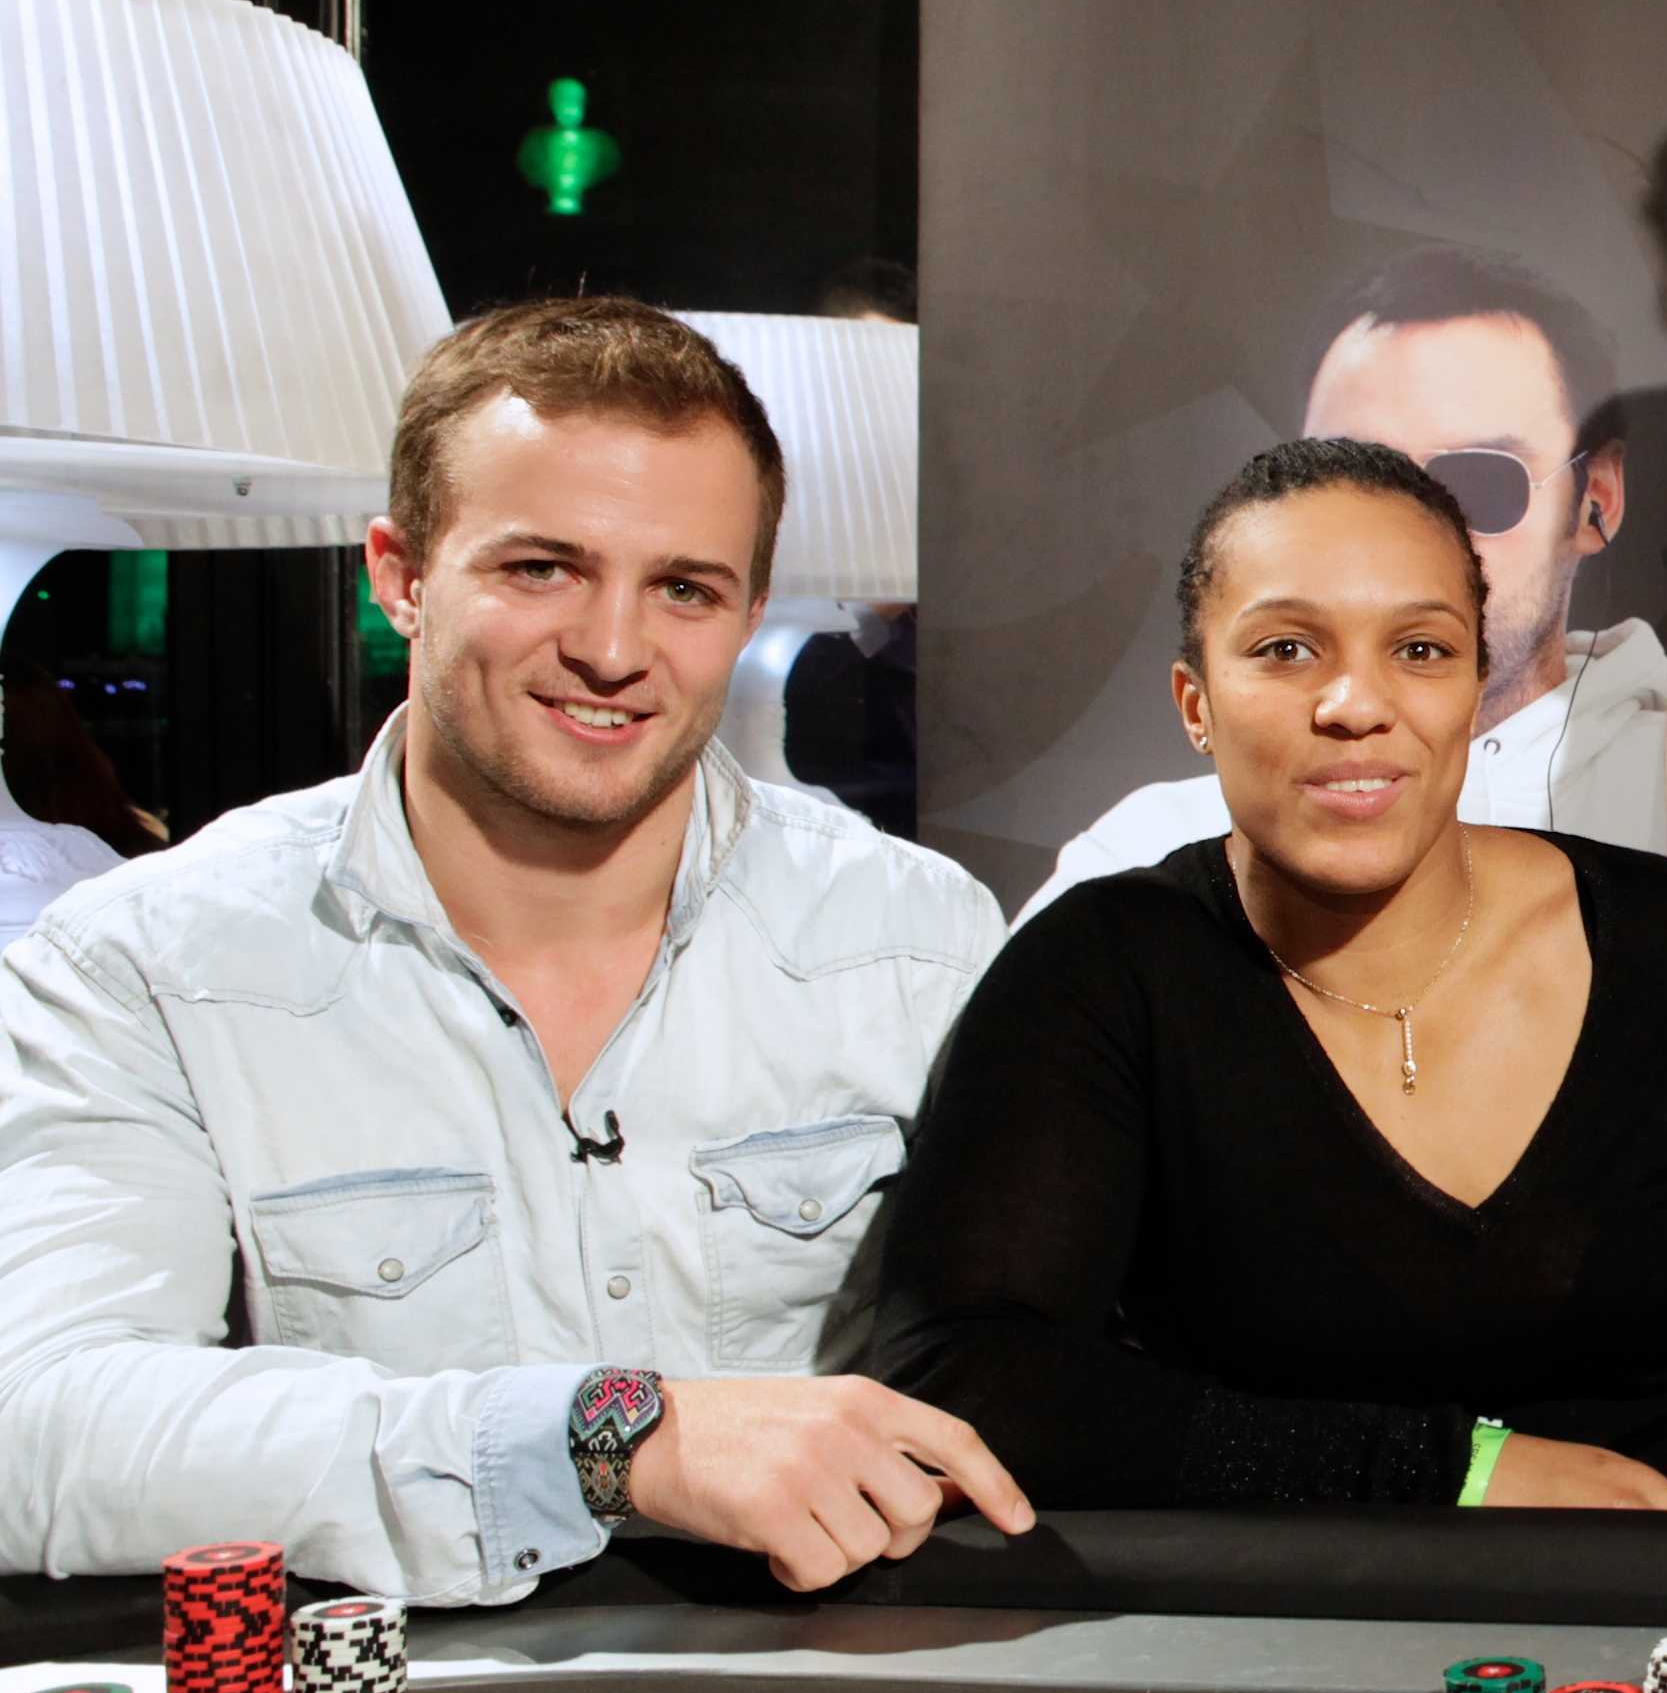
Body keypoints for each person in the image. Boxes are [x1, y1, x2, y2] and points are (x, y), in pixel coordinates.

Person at [0, 298, 1032, 1603]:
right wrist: (607, 1439)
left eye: (684, 588)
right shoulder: (144, 961)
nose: (611, 649)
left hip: (840, 1689)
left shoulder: (919, 939)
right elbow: (37, 1428)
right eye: (542, 568)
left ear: (749, 609)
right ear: (400, 574)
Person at [860, 439, 1667, 1514]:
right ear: (1195, 703)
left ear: (1475, 689)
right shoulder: (1098, 969)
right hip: (1273, 1606)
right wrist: (1460, 1472)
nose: (1356, 702)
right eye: (1287, 648)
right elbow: (964, 1370)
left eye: (1421, 649)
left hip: (1655, 1594)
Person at [1030, 250, 1667, 928]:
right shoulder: (1143, 855)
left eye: (1482, 480)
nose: (1407, 538)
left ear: (1595, 499)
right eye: (1352, 477)